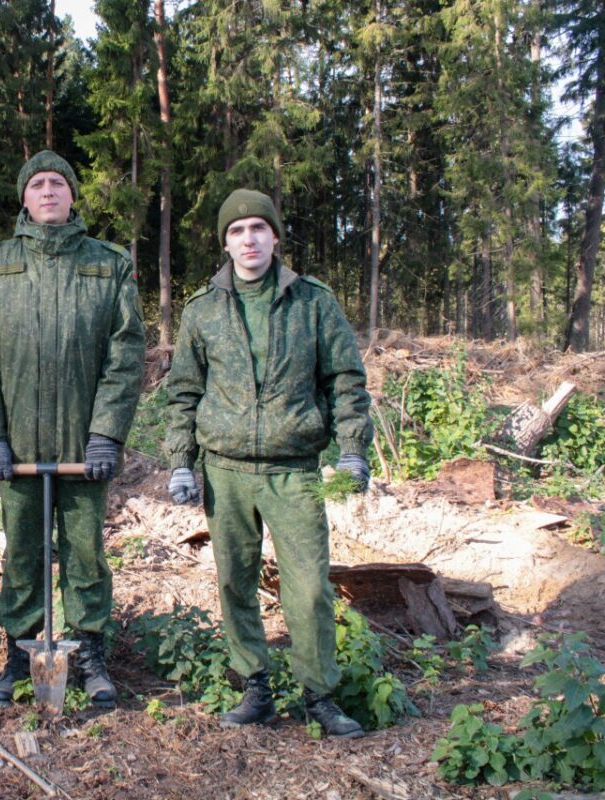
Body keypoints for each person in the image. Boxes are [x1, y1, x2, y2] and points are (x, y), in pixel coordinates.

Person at [164, 188, 373, 738]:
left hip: (293, 469)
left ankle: (319, 694)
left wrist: (352, 449)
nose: (248, 238)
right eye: (236, 231)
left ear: (275, 237)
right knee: (235, 581)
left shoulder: (312, 302)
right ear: (225, 243)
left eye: (258, 228)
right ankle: (253, 685)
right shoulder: (202, 310)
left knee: (308, 587)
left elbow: (345, 380)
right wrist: (182, 461)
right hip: (225, 471)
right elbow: (184, 391)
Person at [0, 150, 145, 708]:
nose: (47, 192)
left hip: (82, 446)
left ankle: (88, 650)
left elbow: (126, 352)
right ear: (24, 196)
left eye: (57, 184)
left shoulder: (107, 264)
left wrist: (106, 433)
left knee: (86, 552)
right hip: (16, 445)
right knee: (21, 553)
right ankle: (21, 652)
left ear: (71, 196)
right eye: (37, 184)